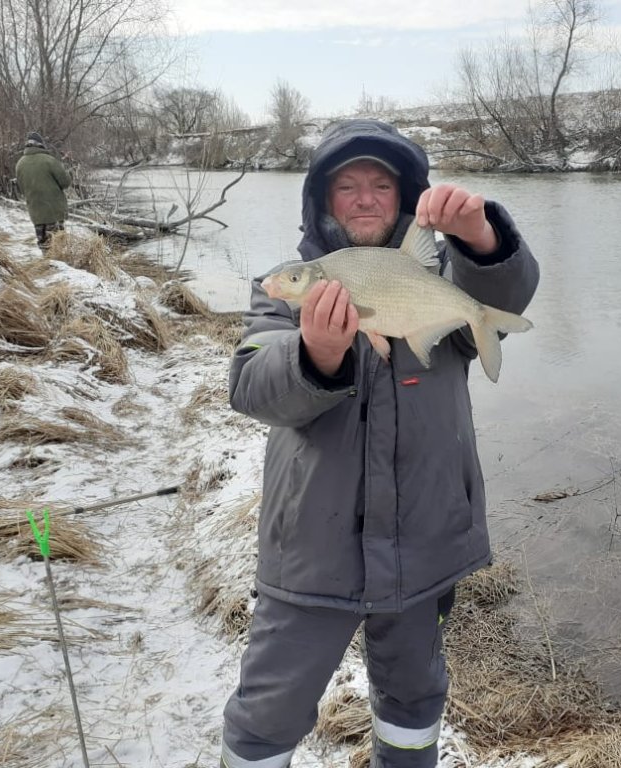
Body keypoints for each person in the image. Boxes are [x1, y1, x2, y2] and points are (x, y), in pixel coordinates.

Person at [223, 118, 540, 768]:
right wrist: (314, 355)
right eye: (347, 185)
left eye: (380, 184)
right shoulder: (281, 290)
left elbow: (504, 289)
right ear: (322, 200)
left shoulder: (444, 277)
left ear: (404, 197)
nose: (365, 198)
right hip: (309, 552)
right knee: (265, 716)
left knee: (414, 702)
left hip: (426, 547)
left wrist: (483, 240)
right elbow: (252, 384)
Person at [14, 131, 71, 251]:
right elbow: (65, 183)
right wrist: (69, 172)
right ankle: (58, 266)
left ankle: (47, 265)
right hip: (54, 211)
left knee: (44, 245)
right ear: (41, 144)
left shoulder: (20, 164)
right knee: (58, 246)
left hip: (35, 212)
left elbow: (22, 188)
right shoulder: (49, 160)